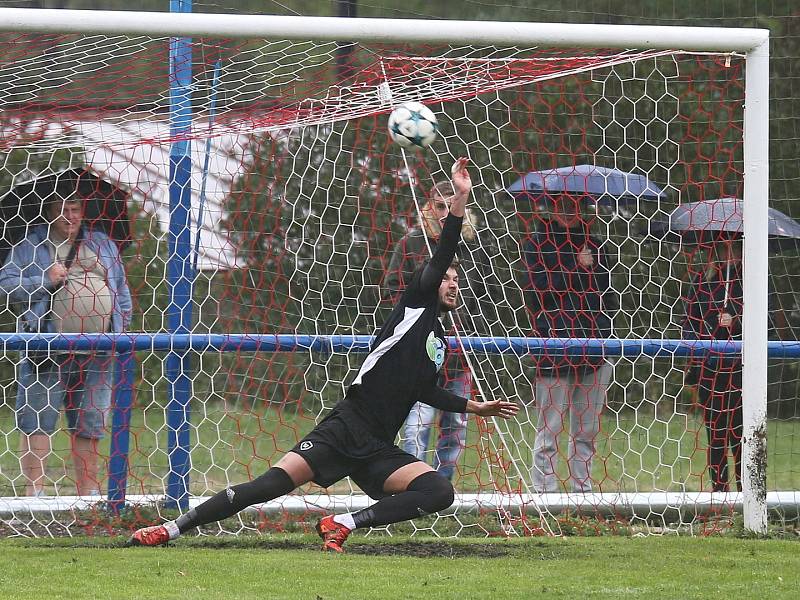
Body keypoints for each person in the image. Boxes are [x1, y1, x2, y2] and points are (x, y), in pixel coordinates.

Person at [128, 158, 519, 552]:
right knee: (268, 486)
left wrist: (474, 407)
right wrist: (461, 199)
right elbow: (443, 251)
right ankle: (170, 529)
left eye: (456, 279)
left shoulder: (437, 338)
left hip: (378, 445)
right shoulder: (416, 303)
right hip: (345, 427)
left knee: (439, 490)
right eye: (446, 278)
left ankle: (342, 523)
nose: (452, 284)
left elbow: (424, 389)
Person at [0, 193, 132, 497]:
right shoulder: (30, 245)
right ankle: (34, 496)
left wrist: (121, 330)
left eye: (75, 209)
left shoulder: (103, 243)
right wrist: (44, 280)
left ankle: (88, 496)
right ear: (48, 212)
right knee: (36, 420)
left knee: (91, 422)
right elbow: (6, 287)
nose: (70, 216)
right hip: (46, 349)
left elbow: (121, 290)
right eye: (62, 210)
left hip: (99, 350)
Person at [383, 181, 495, 481]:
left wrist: (472, 330)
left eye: (452, 204)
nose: (446, 212)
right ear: (429, 208)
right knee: (416, 426)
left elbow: (487, 296)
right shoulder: (411, 244)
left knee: (455, 427)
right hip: (419, 354)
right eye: (440, 205)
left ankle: (440, 489)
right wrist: (413, 326)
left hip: (460, 354)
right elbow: (392, 290)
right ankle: (409, 486)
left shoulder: (473, 247)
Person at [521, 193, 616, 494]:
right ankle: (544, 495)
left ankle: (582, 493)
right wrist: (577, 266)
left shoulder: (597, 245)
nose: (567, 208)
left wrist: (592, 268)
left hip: (593, 349)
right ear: (551, 204)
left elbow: (608, 299)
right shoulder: (537, 244)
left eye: (574, 203)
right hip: (554, 347)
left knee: (586, 431)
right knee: (548, 430)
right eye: (561, 202)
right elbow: (540, 292)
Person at [682, 233, 788, 492]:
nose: (727, 252)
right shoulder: (702, 283)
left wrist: (736, 321)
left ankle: (747, 494)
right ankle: (719, 494)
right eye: (721, 246)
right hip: (710, 371)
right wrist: (710, 327)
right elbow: (688, 327)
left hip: (743, 372)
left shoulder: (756, 281)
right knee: (716, 436)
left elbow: (770, 326)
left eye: (733, 246)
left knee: (742, 436)